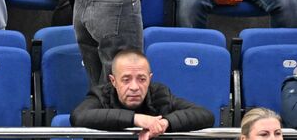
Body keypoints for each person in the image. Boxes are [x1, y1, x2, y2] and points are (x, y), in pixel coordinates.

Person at [71, 49, 214, 139]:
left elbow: (205, 115)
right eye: (126, 80)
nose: (134, 87)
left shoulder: (160, 94)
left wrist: (165, 123)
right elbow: (78, 116)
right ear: (113, 81)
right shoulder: (101, 95)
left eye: (142, 79)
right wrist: (137, 119)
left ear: (150, 79)